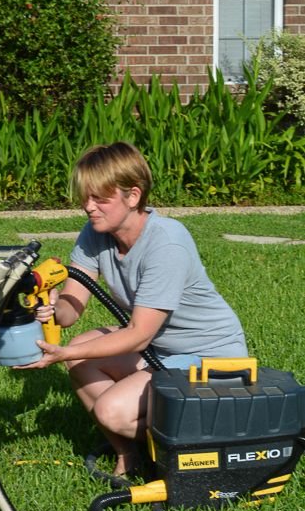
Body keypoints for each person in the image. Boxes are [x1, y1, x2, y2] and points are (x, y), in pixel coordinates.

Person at [27, 141, 248, 478]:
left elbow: (138, 334)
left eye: (100, 198)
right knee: (77, 354)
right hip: (160, 349)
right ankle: (128, 454)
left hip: (212, 357)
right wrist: (52, 305)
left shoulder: (166, 243)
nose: (88, 207)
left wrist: (57, 353)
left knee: (113, 411)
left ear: (133, 196)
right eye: (85, 197)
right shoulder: (95, 233)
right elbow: (71, 312)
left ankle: (201, 440)